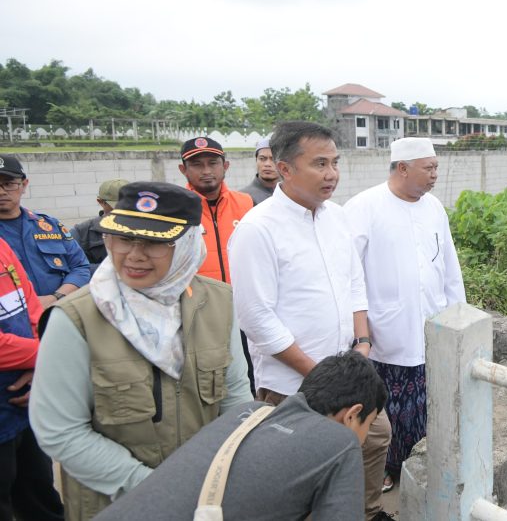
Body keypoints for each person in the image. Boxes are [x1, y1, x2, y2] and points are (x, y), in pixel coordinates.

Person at [29, 181, 253, 521]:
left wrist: (218, 482)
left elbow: (236, 402)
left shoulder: (220, 303)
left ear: (188, 244)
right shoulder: (77, 318)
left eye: (153, 242)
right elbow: (60, 430)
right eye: (123, 238)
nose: (133, 255)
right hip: (116, 507)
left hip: (204, 499)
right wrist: (156, 488)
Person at [229, 121, 393, 521]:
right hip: (293, 385)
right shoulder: (257, 229)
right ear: (284, 169)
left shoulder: (337, 217)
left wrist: (362, 347)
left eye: (335, 162)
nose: (332, 173)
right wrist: (318, 374)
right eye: (319, 163)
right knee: (305, 472)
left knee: (374, 441)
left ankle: (368, 513)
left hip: (350, 370)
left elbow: (356, 284)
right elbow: (256, 318)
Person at [90, 351, 388, 521]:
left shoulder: (248, 413)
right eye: (369, 424)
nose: (362, 439)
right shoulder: (340, 442)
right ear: (352, 414)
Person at [345, 136, 466, 492]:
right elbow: (348, 276)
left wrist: (457, 313)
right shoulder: (363, 207)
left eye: (436, 168)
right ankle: (382, 470)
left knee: (425, 405)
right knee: (385, 408)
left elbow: (449, 268)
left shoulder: (434, 208)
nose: (434, 176)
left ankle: (416, 468)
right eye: (428, 168)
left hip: (430, 324)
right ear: (402, 168)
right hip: (384, 331)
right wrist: (359, 329)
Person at [0, 239, 64, 521]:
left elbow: (29, 305)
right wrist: (46, 355)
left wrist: (41, 359)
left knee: (39, 493)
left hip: (24, 404)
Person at [0, 154, 91, 308]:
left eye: (8, 184)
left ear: (24, 185)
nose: (1, 192)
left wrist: (55, 298)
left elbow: (80, 267)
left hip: (58, 312)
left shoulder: (49, 225)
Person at [178, 136, 254, 283]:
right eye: (197, 164)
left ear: (225, 166)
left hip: (243, 298)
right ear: (183, 170)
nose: (206, 171)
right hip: (198, 301)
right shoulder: (175, 209)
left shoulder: (247, 203)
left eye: (213, 163)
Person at [72, 178, 130, 265]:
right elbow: (74, 266)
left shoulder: (147, 227)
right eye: (118, 207)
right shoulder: (82, 232)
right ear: (101, 202)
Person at [240, 139, 278, 205]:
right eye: (262, 159)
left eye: (273, 159)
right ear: (256, 160)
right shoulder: (243, 196)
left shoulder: (292, 194)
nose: (267, 164)